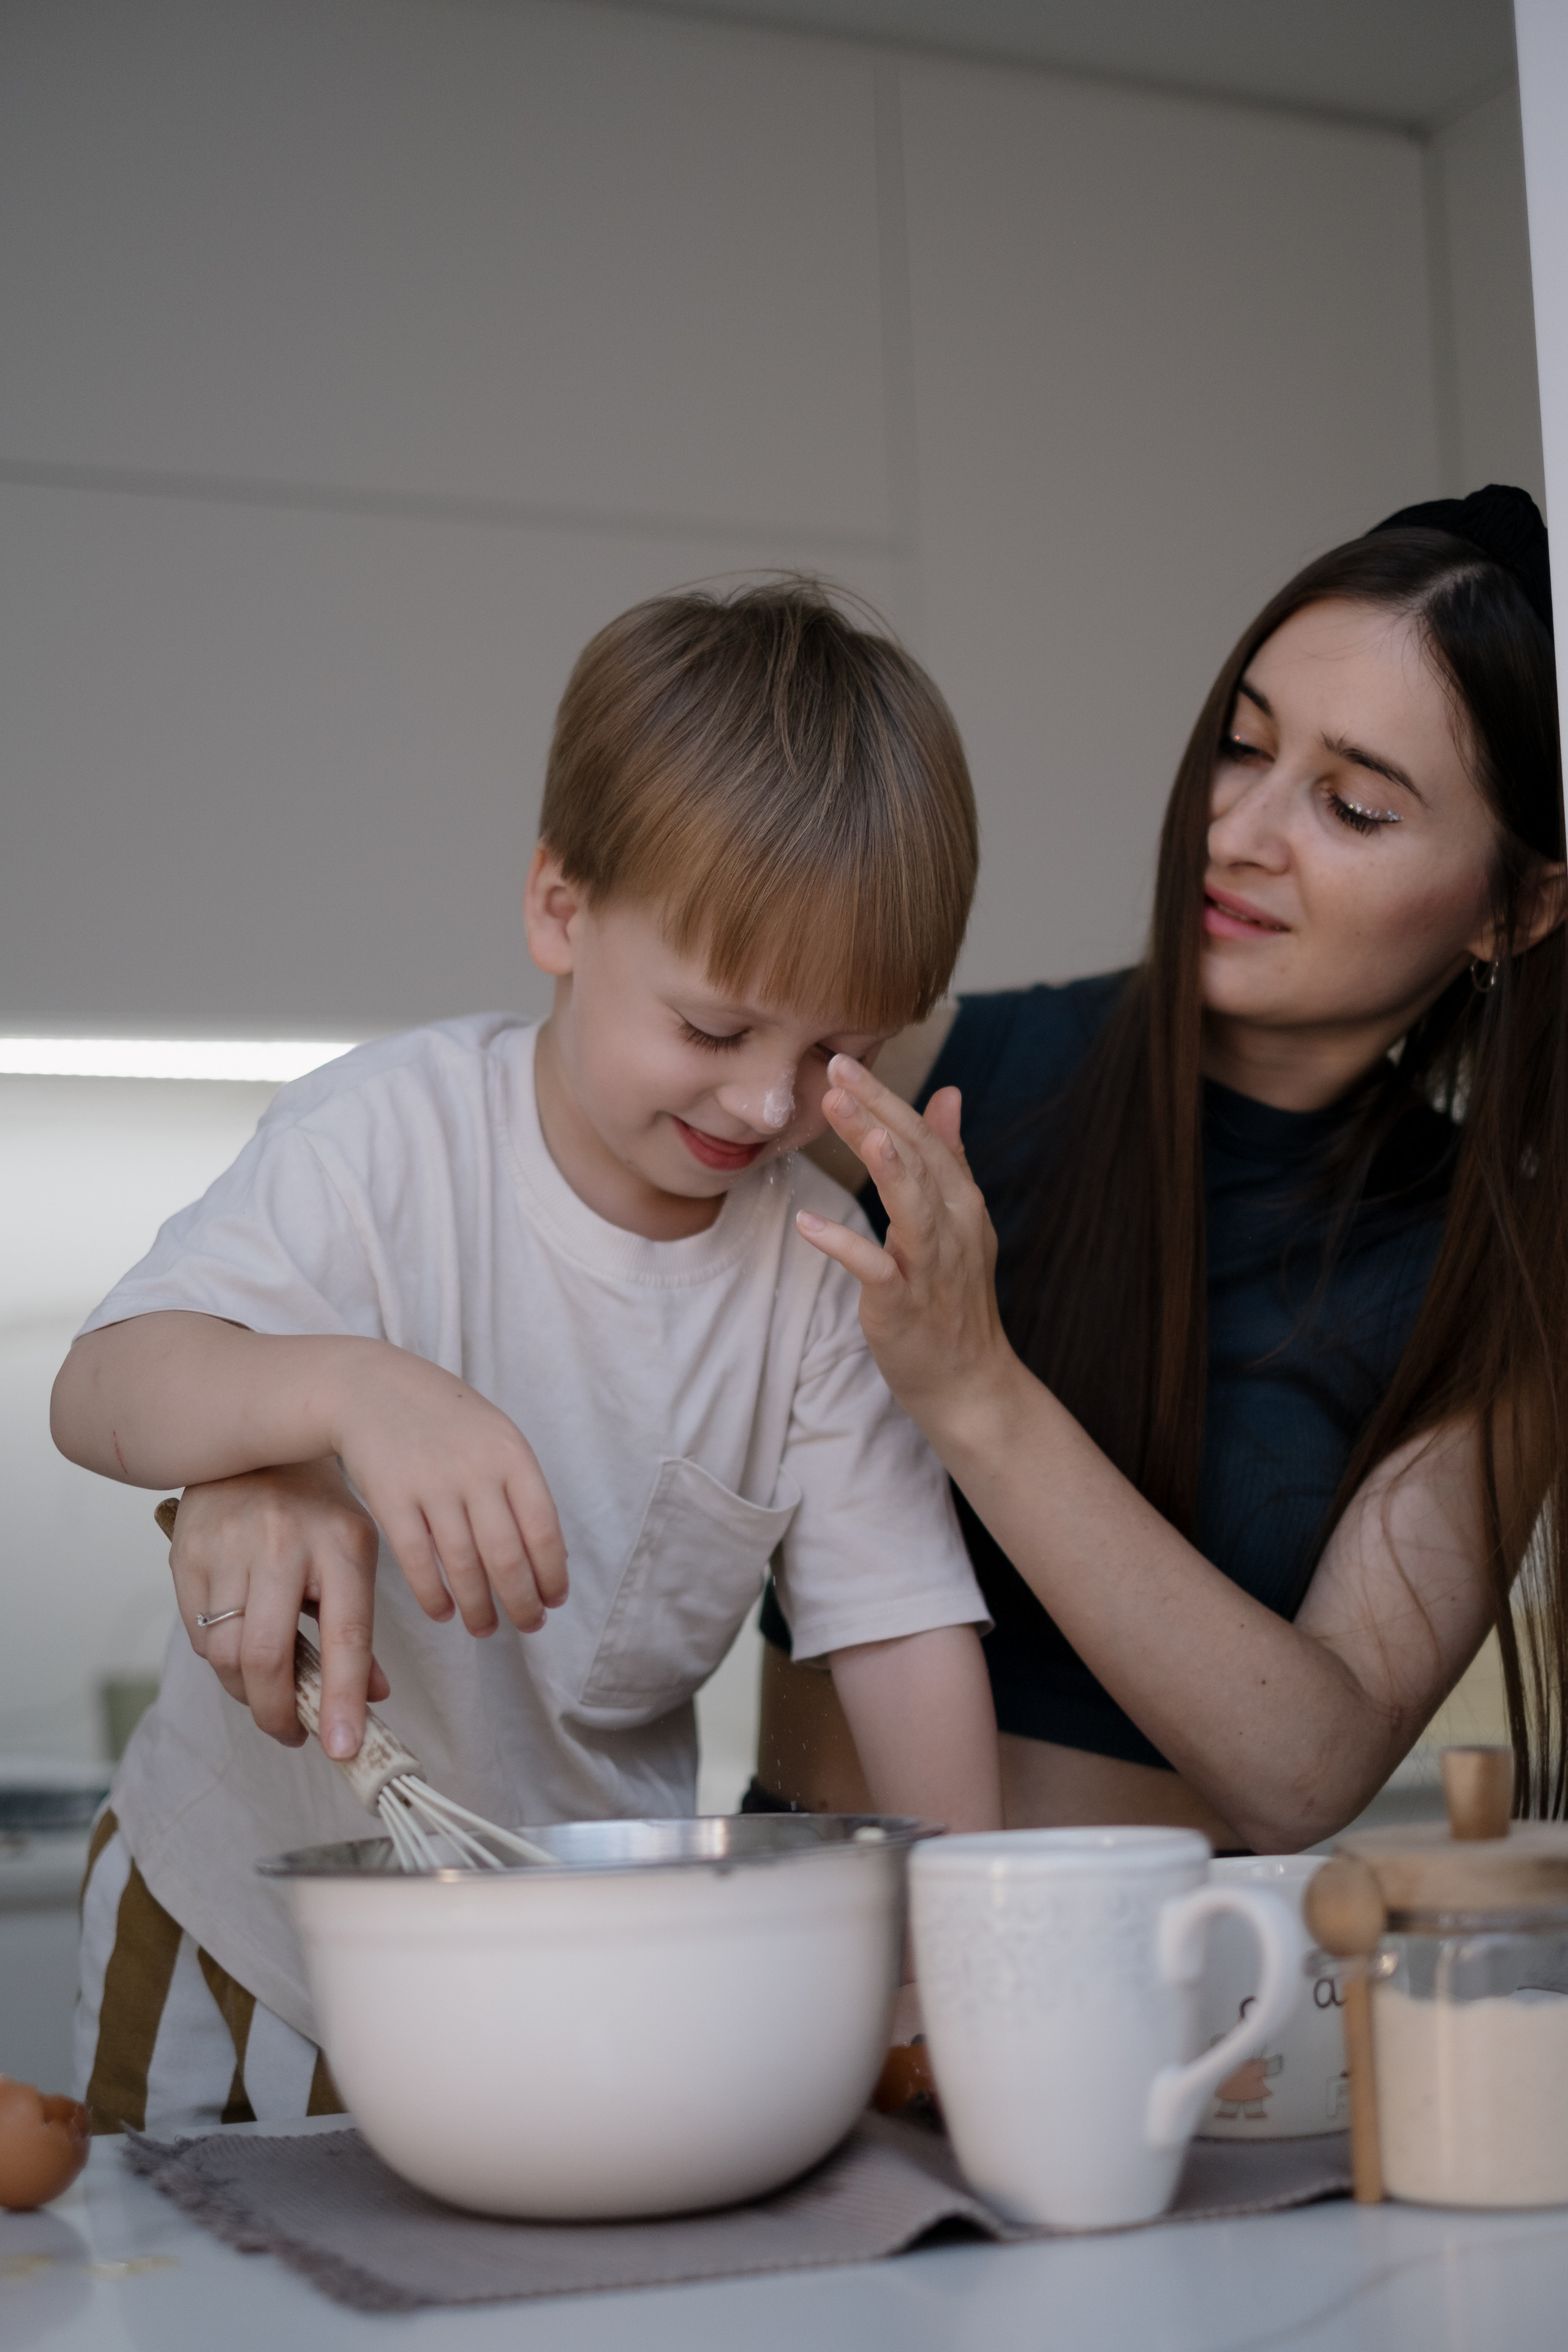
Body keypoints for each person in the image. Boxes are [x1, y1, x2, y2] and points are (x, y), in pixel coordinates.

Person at [51, 581, 1001, 2133]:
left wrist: (959, 1988)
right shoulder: (384, 1141)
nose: (768, 1107)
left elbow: (902, 1651)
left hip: (568, 1990)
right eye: (712, 1029)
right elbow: (97, 1388)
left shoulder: (822, 1289)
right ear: (560, 909)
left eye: (839, 1053)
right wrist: (348, 1386)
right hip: (236, 1949)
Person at [758, 485, 1568, 1855]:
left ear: (1515, 907)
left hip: (1176, 2021)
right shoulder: (914, 1077)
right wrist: (284, 1439)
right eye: (1238, 749)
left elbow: (1304, 1771)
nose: (1240, 832)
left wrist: (975, 1390)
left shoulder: (1490, 1284)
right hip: (792, 1973)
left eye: (1352, 807)